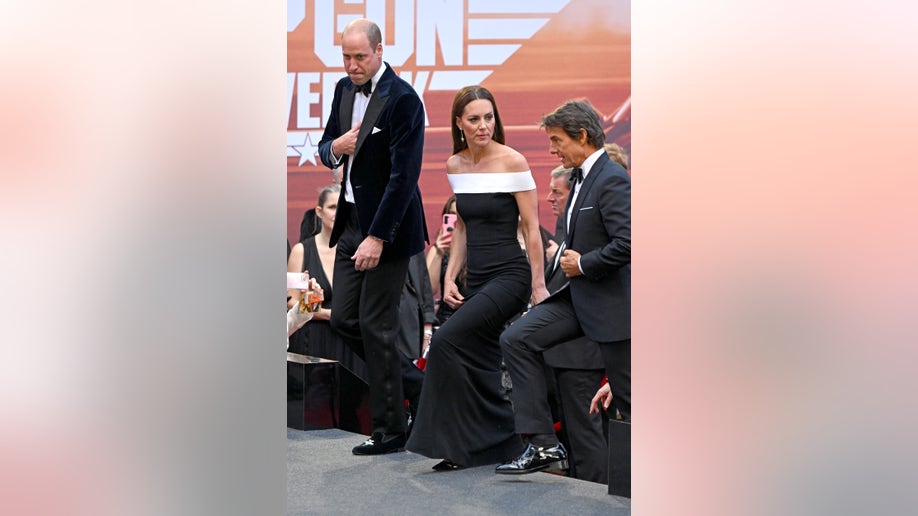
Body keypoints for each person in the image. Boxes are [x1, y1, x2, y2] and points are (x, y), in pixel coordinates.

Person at [406, 85, 549, 471]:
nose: (483, 125)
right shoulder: (455, 165)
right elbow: (464, 227)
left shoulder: (513, 162)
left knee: (447, 342)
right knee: (479, 358)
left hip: (510, 277)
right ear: (459, 123)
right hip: (477, 279)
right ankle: (487, 446)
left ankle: (461, 440)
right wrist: (450, 276)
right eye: (474, 119)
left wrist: (537, 285)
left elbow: (533, 230)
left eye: (489, 117)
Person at [497, 99, 630, 476]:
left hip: (611, 307)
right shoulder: (578, 178)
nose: (552, 149)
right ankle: (541, 445)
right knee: (516, 338)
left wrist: (584, 263)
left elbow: (630, 242)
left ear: (582, 136)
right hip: (575, 299)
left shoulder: (613, 177)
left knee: (631, 405)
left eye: (557, 141)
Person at [317, 18, 427, 456]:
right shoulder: (344, 91)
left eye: (360, 56)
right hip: (350, 223)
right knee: (345, 319)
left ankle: (390, 430)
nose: (352, 64)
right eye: (346, 56)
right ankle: (417, 386)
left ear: (380, 51)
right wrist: (335, 149)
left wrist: (378, 236)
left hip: (389, 230)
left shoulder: (403, 100)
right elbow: (327, 145)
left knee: (376, 326)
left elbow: (404, 178)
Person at [539, 165, 610, 483]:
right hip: (562, 353)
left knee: (586, 437)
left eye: (557, 192)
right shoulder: (563, 228)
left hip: (581, 355)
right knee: (574, 436)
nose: (549, 197)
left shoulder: (592, 232)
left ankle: (595, 499)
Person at [286, 184, 368, 377]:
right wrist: (328, 314)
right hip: (313, 339)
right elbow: (292, 303)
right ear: (319, 211)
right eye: (332, 207)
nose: (337, 213)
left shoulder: (362, 251)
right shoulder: (301, 251)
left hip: (352, 340)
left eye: (343, 207)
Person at [424, 195, 466, 328]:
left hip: (475, 318)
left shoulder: (481, 247)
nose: (457, 221)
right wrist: (438, 252)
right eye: (452, 216)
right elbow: (428, 290)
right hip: (446, 320)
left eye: (461, 216)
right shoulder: (439, 249)